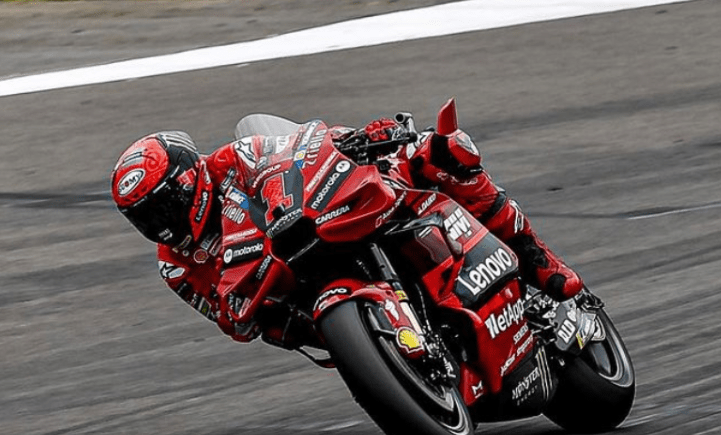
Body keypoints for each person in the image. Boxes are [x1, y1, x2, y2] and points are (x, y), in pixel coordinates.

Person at [110, 113, 583, 345]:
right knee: (281, 331)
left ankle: (539, 262)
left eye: (164, 206)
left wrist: (357, 137)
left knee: (445, 153)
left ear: (190, 178)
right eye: (145, 219)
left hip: (327, 215)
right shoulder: (175, 267)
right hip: (298, 292)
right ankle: (393, 352)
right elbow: (232, 321)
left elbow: (298, 151)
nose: (160, 224)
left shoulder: (234, 159)